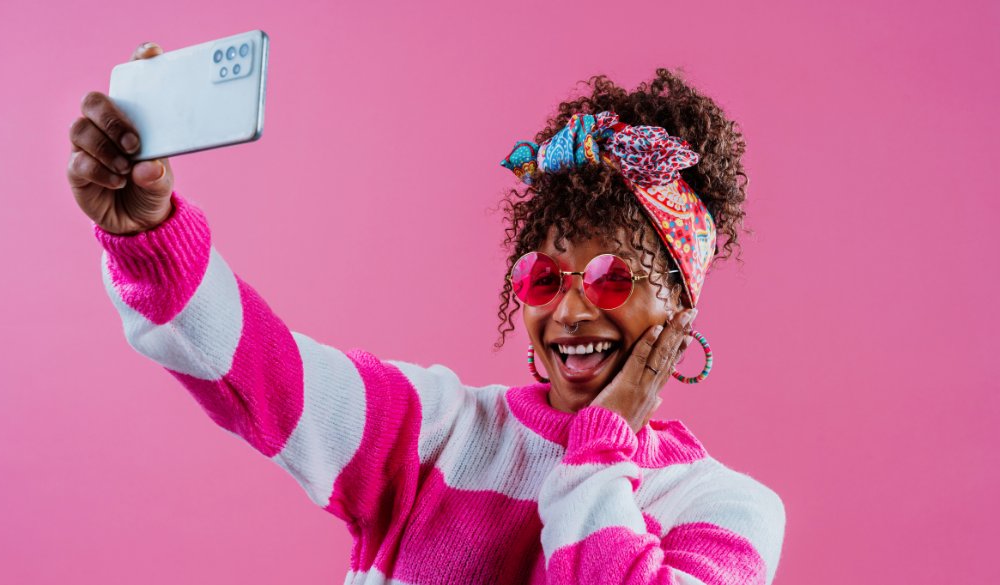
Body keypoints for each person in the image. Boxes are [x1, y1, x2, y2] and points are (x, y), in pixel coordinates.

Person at [67, 41, 786, 584]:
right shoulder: (438, 429)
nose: (569, 310)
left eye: (609, 278)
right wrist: (149, 235)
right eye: (544, 277)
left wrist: (600, 448)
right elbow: (262, 369)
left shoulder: (728, 509)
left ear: (679, 307)